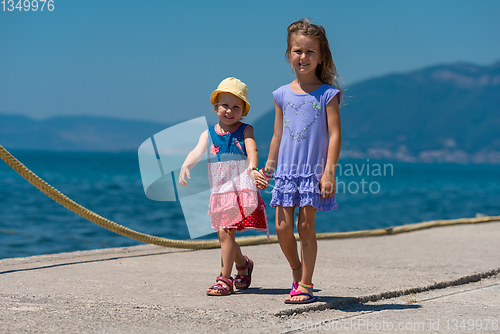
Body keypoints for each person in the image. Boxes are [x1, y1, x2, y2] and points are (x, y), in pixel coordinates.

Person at [260, 18, 342, 304]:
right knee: (283, 228)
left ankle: (306, 283)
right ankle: (296, 271)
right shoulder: (281, 94)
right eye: (297, 51)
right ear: (289, 54)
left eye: (310, 52)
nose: (303, 57)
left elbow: (334, 136)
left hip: (312, 173)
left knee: (306, 227)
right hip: (285, 172)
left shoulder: (328, 94)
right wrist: (268, 170)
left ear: (321, 57)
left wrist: (329, 173)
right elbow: (277, 136)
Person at [179, 77, 269, 296]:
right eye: (225, 105)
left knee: (226, 231)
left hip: (241, 187)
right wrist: (185, 165)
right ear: (215, 107)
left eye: (236, 107)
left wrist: (253, 169)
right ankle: (243, 264)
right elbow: (197, 151)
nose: (230, 111)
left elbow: (252, 150)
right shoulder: (208, 133)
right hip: (220, 190)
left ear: (243, 111)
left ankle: (224, 279)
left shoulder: (246, 129)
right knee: (225, 234)